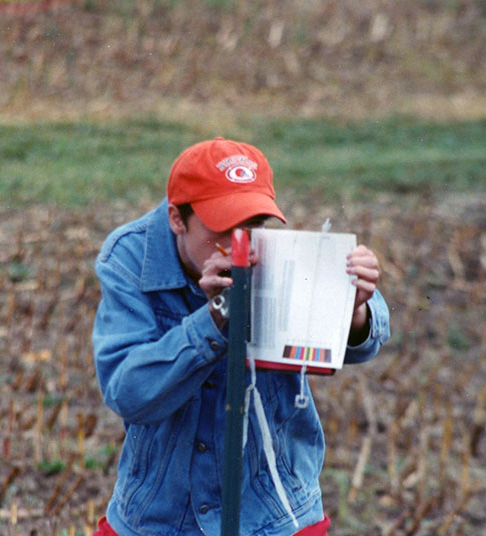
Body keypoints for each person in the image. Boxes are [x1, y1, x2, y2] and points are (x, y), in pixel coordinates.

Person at [92, 137, 390, 536]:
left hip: (273, 512)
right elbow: (128, 391)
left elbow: (358, 344)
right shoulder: (129, 258)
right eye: (222, 227)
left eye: (252, 224)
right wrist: (214, 318)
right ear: (176, 219)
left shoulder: (282, 254)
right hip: (156, 515)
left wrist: (353, 311)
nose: (241, 243)